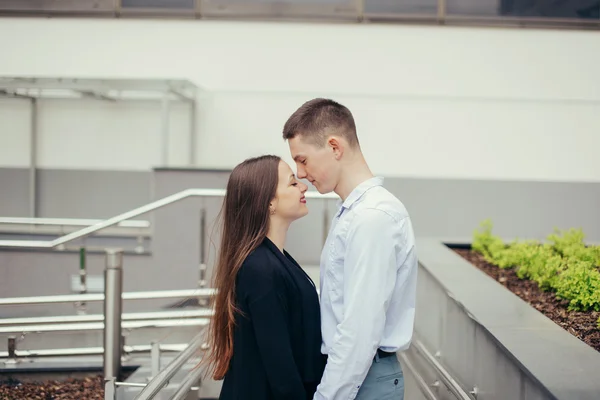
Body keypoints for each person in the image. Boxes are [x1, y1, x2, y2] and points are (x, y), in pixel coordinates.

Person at [283, 98, 419, 400]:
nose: (300, 173)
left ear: (334, 147)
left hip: (363, 380)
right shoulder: (354, 211)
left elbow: (360, 329)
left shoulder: (372, 217)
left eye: (303, 160)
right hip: (358, 378)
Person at [203, 155, 326, 400]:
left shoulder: (273, 260)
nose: (303, 185)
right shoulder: (260, 269)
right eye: (292, 183)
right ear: (268, 202)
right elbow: (279, 366)